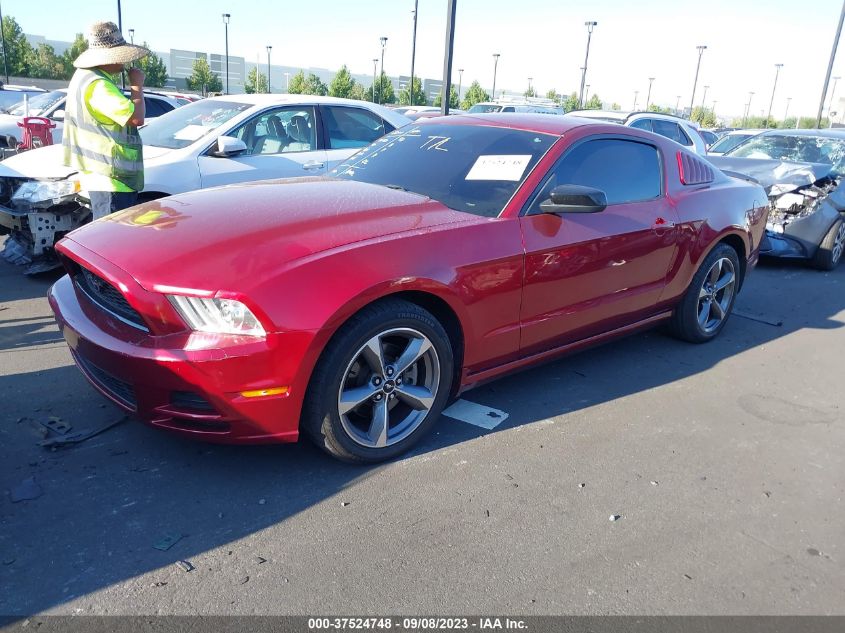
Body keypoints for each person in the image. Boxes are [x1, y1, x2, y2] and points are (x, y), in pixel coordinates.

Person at [62, 21, 150, 220]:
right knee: (113, 241)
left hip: (100, 174)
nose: (123, 63)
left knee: (105, 238)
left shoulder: (83, 77)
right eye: (120, 57)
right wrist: (137, 85)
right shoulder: (98, 84)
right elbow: (136, 118)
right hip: (112, 178)